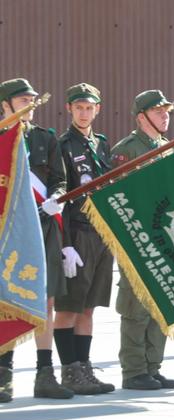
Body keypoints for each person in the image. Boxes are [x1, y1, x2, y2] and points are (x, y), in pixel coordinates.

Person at [0, 78, 74, 402]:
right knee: (6, 300)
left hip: (43, 227)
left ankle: (45, 374)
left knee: (45, 300)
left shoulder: (46, 138)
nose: (29, 105)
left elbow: (59, 179)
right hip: (7, 229)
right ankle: (4, 375)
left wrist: (57, 197)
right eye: (22, 100)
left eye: (32, 99)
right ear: (5, 105)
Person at [110, 90, 174, 390]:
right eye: (158, 111)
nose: (165, 115)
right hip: (137, 239)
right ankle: (134, 370)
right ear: (141, 117)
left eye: (167, 110)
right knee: (135, 307)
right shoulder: (127, 149)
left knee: (161, 305)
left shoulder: (168, 148)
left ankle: (153, 366)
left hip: (165, 238)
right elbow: (119, 196)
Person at [53, 83, 115, 395]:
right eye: (79, 107)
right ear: (69, 109)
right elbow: (61, 195)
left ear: (98, 109)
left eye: (89, 107)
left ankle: (84, 367)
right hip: (77, 233)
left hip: (100, 232)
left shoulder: (101, 144)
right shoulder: (63, 144)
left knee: (89, 307)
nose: (84, 112)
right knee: (69, 306)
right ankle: (69, 370)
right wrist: (64, 243)